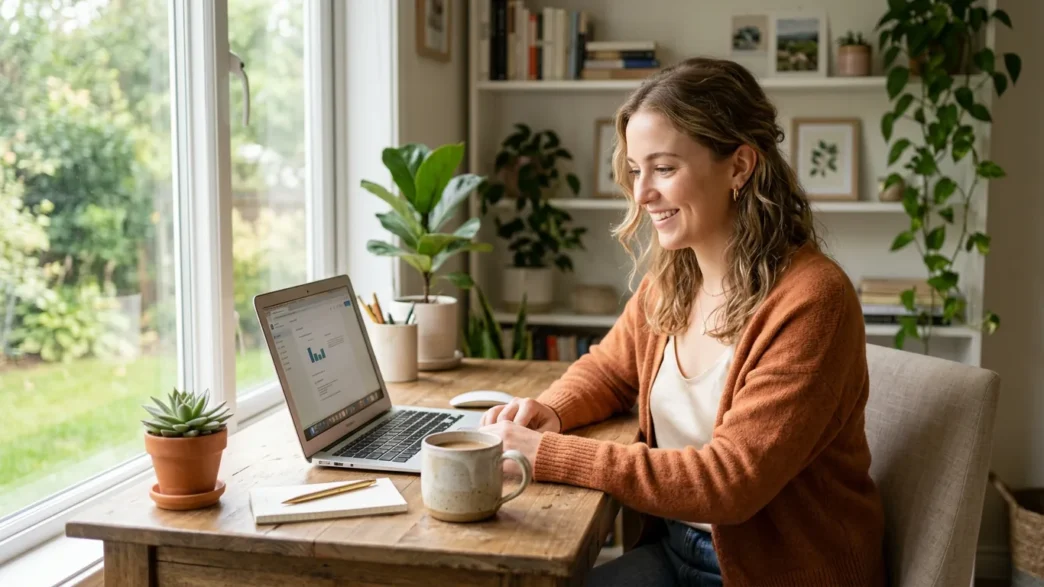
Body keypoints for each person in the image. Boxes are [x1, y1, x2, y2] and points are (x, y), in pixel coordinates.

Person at [478, 56, 886, 586]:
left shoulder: (813, 300)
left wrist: (550, 454)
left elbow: (729, 483)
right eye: (635, 170)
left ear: (739, 167)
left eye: (664, 169)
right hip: (676, 549)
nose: (642, 193)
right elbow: (607, 369)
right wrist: (550, 411)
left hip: (778, 571)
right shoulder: (674, 277)